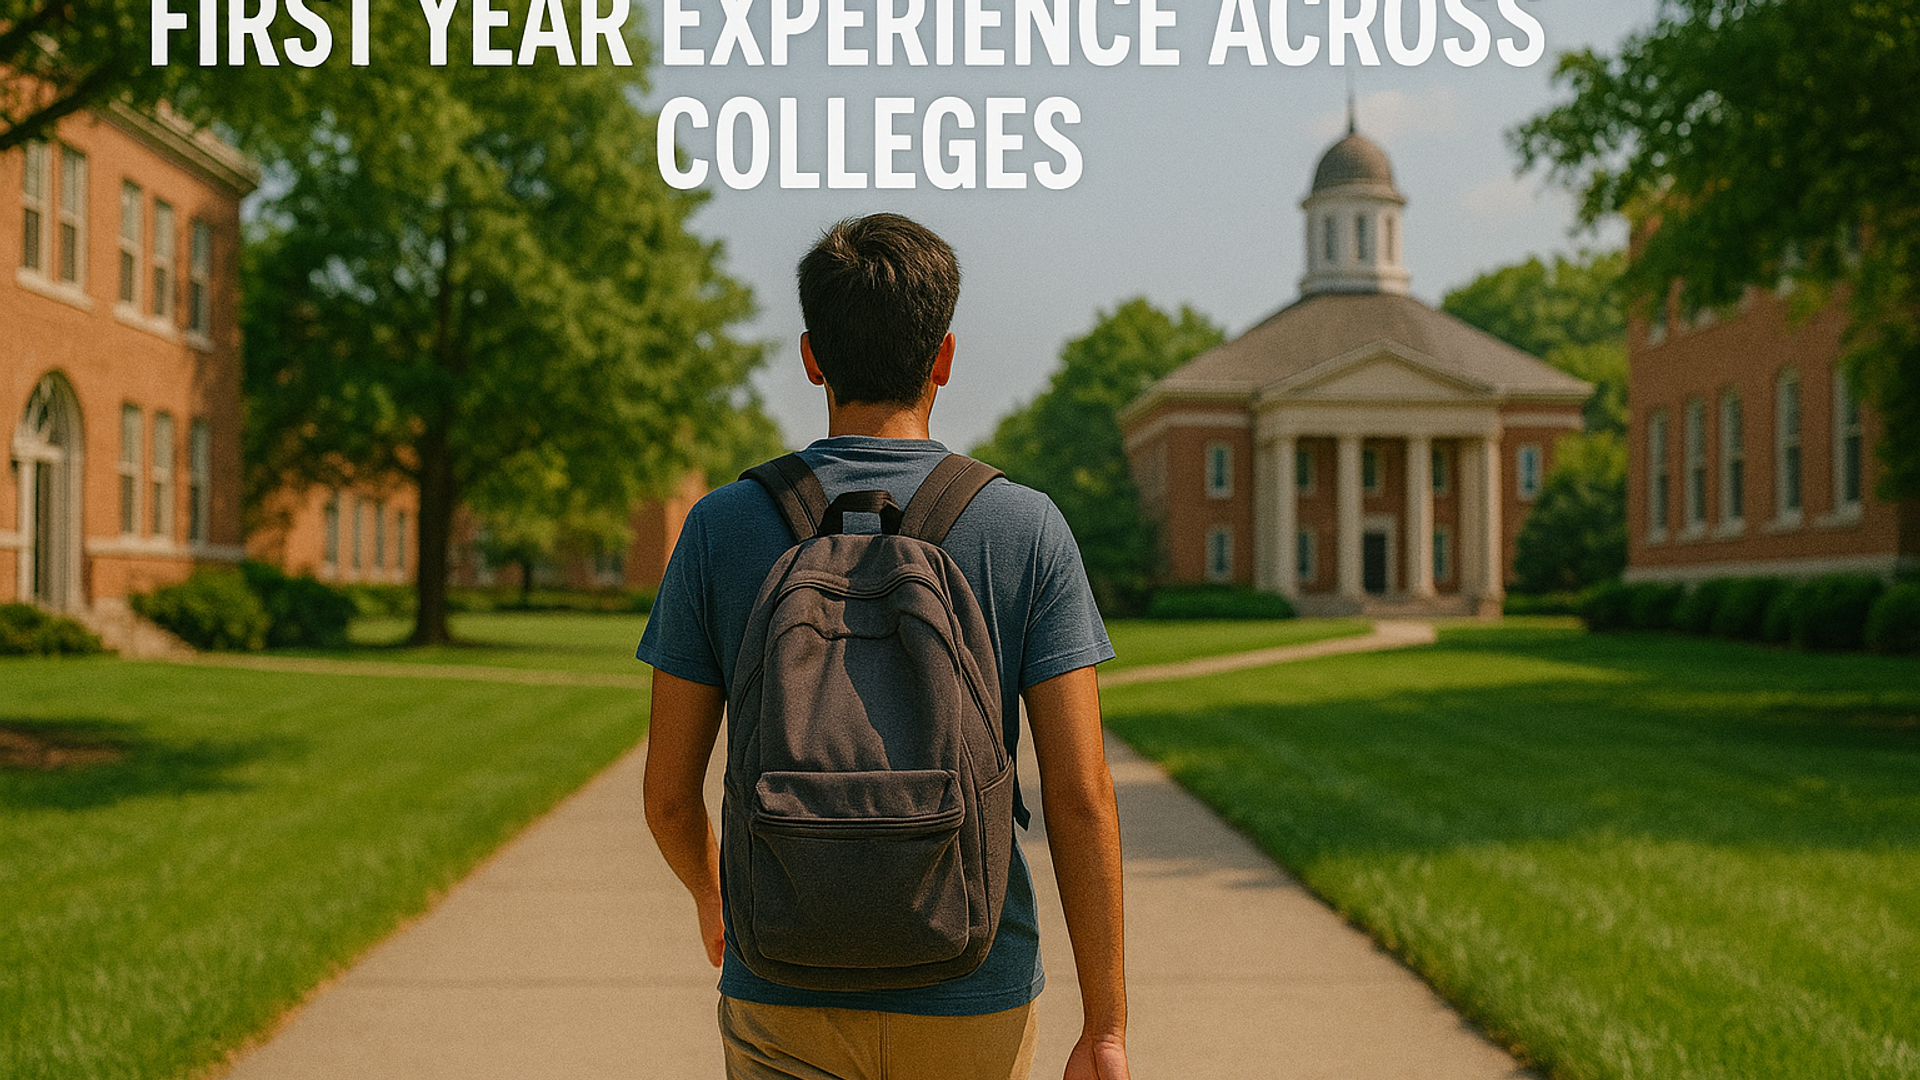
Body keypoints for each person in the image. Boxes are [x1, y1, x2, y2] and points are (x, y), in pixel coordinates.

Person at [638, 212, 1130, 1080]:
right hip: (975, 987)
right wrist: (1106, 1027)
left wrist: (717, 899)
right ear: (942, 356)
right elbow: (1082, 796)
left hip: (781, 989)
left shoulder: (722, 527)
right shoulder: (1025, 528)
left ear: (810, 355)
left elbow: (670, 797)